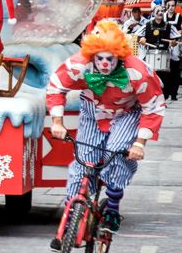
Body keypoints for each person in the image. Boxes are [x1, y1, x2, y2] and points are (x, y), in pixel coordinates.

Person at [46, 20, 164, 238]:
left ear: (119, 55)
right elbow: (56, 86)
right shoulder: (78, 64)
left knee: (117, 151)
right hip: (93, 111)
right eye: (99, 58)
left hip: (127, 112)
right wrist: (57, 121)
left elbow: (154, 107)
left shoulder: (138, 72)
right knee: (83, 160)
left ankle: (112, 208)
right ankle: (74, 210)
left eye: (110, 58)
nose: (104, 63)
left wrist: (139, 143)